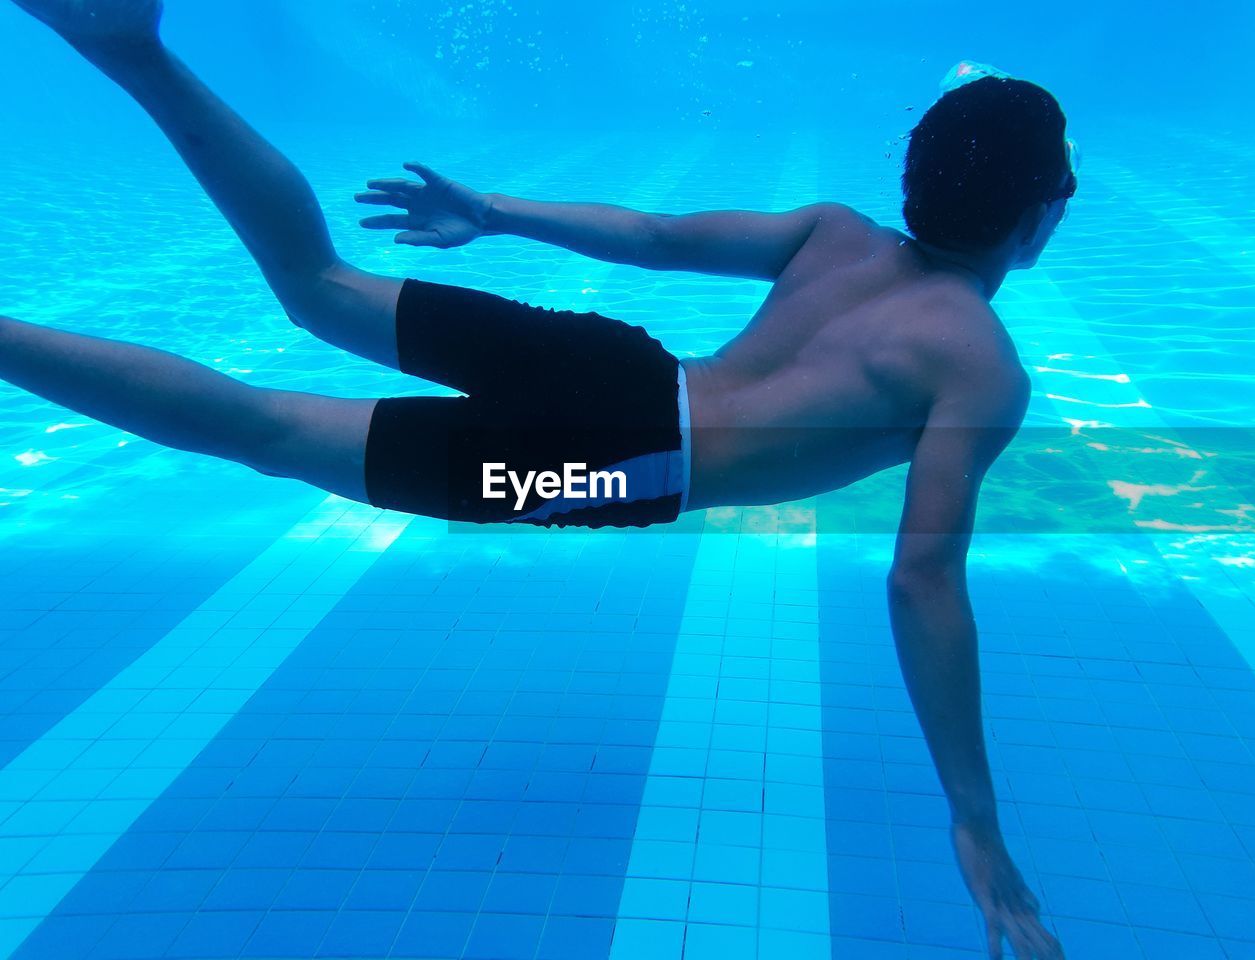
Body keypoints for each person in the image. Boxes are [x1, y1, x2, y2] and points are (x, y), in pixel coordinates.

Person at [3, 3, 1072, 957]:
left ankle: (131, 48)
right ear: (1035, 221)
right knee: (269, 427)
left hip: (610, 364)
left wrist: (497, 210)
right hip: (619, 466)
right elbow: (920, 582)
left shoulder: (836, 235)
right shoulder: (976, 362)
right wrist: (973, 817)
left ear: (914, 175)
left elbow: (653, 237)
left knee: (318, 285)